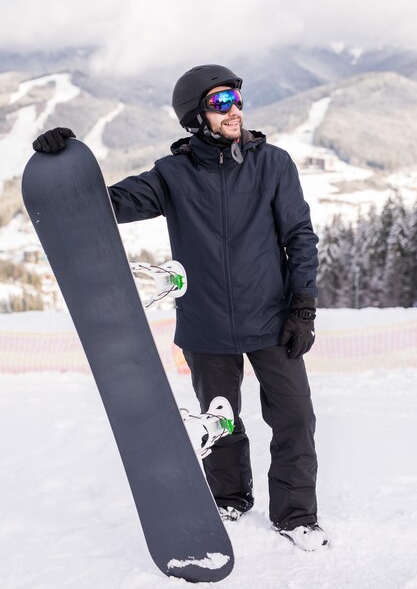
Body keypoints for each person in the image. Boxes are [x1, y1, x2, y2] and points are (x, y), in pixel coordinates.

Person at [33, 64, 327, 551]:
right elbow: (106, 204)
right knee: (221, 419)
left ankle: (296, 514)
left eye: (236, 98)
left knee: (295, 420)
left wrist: (304, 306)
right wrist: (62, 163)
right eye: (220, 103)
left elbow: (300, 236)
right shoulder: (172, 175)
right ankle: (229, 496)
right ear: (196, 116)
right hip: (206, 326)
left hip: (273, 321)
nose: (234, 109)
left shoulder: (273, 163)